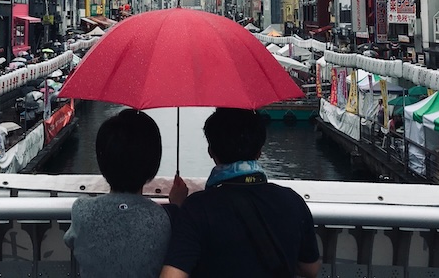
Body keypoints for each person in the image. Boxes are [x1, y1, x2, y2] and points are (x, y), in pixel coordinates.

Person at [161, 108, 320, 278]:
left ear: (211, 152)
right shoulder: (292, 201)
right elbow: (310, 269)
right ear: (259, 151)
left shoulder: (197, 207)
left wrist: (176, 207)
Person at [65, 109, 188, 278]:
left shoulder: (82, 211)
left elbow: (71, 240)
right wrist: (176, 204)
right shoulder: (165, 218)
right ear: (152, 163)